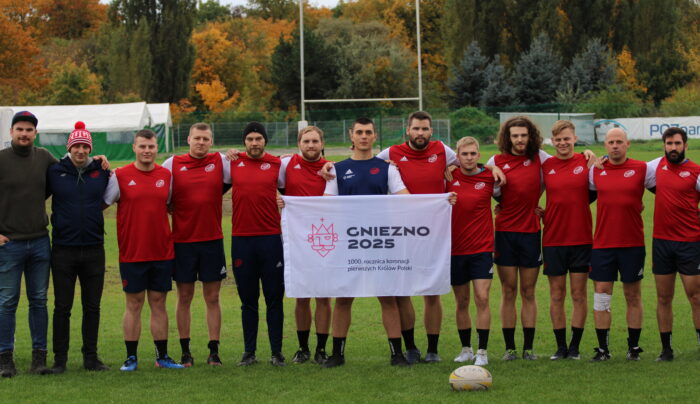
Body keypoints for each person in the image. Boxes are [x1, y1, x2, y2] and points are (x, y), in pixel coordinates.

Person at [321, 117, 411, 368]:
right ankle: (337, 354)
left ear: (374, 137)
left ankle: (397, 354)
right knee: (343, 298)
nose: (363, 136)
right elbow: (326, 206)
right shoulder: (336, 170)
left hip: (379, 242)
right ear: (351, 136)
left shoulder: (387, 168)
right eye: (359, 132)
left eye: (368, 132)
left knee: (388, 297)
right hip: (349, 244)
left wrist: (440, 202)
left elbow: (406, 199)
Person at [103, 129, 184, 371]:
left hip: (161, 252)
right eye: (142, 146)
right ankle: (131, 357)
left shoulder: (166, 175)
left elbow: (170, 205)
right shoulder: (120, 175)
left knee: (159, 303)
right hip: (132, 252)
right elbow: (101, 203)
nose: (147, 151)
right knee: (134, 304)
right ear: (134, 148)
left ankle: (162, 356)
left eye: (151, 146)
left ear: (156, 148)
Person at [162, 123, 230, 367]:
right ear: (188, 139)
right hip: (183, 242)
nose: (201, 142)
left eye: (206, 138)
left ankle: (214, 351)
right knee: (184, 297)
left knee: (212, 297)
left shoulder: (221, 161)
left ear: (211, 141)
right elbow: (160, 194)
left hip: (212, 240)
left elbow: (249, 165)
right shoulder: (172, 164)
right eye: (197, 138)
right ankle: (185, 351)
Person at [485, 116, 550, 361]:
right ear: (508, 138)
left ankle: (529, 349)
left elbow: (563, 170)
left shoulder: (541, 159)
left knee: (529, 291)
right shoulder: (496, 160)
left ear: (530, 136)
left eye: (524, 135)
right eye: (515, 136)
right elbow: (475, 173)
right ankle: (510, 349)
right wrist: (491, 168)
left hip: (531, 233)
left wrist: (589, 154)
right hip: (504, 233)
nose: (520, 139)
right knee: (509, 290)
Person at [47, 122, 110, 373]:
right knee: (62, 307)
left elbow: (111, 196)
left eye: (85, 146)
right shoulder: (54, 172)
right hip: (63, 249)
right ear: (69, 148)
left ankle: (91, 358)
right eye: (76, 146)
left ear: (91, 149)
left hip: (94, 249)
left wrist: (102, 161)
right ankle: (59, 360)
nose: (81, 151)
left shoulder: (102, 171)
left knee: (92, 307)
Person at [588, 128, 654, 361]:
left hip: (633, 244)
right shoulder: (596, 170)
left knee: (632, 295)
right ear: (605, 146)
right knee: (602, 295)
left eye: (619, 142)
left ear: (628, 144)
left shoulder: (642, 169)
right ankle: (603, 349)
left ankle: (633, 348)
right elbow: (575, 198)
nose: (615, 145)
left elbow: (665, 192)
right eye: (610, 142)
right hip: (603, 245)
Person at [0, 111, 57, 377]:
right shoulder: (1, 159)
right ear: (11, 132)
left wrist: (98, 160)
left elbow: (66, 173)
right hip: (8, 244)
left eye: (29, 130)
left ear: (36, 133)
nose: (24, 134)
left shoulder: (44, 158)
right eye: (19, 129)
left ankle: (39, 359)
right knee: (7, 302)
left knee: (39, 301)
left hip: (39, 243)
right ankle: (5, 359)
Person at [229, 122, 286, 367]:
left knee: (274, 299)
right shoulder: (231, 162)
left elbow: (299, 181)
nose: (254, 143)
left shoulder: (277, 164)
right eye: (250, 139)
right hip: (242, 240)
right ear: (244, 141)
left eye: (258, 138)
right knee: (248, 300)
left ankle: (276, 352)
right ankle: (249, 352)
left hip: (271, 239)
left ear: (265, 141)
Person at [277, 126, 332, 365]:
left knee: (323, 296)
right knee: (301, 296)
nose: (311, 145)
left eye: (315, 141)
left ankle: (321, 348)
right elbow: (264, 179)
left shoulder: (332, 169)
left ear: (322, 143)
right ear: (299, 143)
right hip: (296, 240)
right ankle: (303, 348)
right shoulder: (286, 164)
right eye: (306, 141)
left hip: (325, 241)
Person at [645, 127, 700, 361]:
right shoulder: (655, 167)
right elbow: (627, 168)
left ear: (685, 146)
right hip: (662, 243)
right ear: (664, 145)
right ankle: (666, 350)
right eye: (669, 144)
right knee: (663, 297)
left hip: (690, 243)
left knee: (696, 296)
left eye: (677, 143)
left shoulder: (696, 172)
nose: (673, 148)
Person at [540, 121, 593, 360]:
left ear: (575, 139)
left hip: (581, 239)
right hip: (553, 239)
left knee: (579, 294)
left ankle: (575, 347)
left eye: (566, 139)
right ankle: (560, 347)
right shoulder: (546, 165)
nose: (562, 143)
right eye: (558, 140)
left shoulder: (587, 161)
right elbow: (525, 190)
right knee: (556, 295)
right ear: (553, 141)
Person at [446, 137, 500, 366]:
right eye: (464, 154)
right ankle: (466, 348)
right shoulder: (448, 176)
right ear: (457, 156)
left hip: (482, 248)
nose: (468, 157)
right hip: (455, 249)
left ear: (479, 155)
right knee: (462, 301)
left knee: (482, 297)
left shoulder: (490, 176)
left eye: (472, 153)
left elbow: (510, 199)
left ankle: (482, 352)